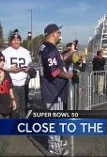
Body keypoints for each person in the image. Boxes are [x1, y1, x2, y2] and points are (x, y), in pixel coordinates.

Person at [38, 23, 72, 156]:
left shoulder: (44, 47)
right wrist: (68, 75)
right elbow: (54, 71)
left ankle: (56, 143)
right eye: (58, 32)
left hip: (50, 89)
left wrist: (70, 52)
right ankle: (55, 149)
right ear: (53, 33)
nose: (60, 35)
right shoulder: (50, 49)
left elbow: (58, 61)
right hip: (53, 90)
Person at [2, 29, 33, 118]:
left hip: (24, 83)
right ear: (11, 41)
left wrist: (28, 69)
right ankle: (13, 125)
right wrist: (9, 70)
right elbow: (0, 67)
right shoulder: (5, 52)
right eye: (14, 40)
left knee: (23, 106)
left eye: (18, 40)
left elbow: (30, 66)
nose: (16, 42)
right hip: (12, 83)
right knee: (15, 106)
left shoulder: (26, 52)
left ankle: (22, 125)